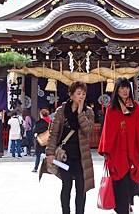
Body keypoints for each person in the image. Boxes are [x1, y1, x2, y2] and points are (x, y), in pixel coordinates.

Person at [98, 78, 139, 214]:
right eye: (122, 88)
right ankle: (121, 208)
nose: (125, 91)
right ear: (117, 90)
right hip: (117, 152)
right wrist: (106, 150)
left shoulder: (134, 107)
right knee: (119, 182)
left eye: (127, 88)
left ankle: (127, 205)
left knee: (129, 181)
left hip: (132, 151)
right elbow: (107, 131)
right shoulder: (111, 109)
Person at [46, 81, 95, 214]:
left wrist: (80, 113)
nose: (81, 97)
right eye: (78, 93)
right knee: (66, 185)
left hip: (81, 156)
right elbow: (54, 133)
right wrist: (50, 153)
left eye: (83, 94)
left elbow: (88, 131)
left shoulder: (88, 112)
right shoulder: (61, 111)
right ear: (71, 95)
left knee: (81, 187)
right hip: (64, 156)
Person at [32, 108, 51, 173]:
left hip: (40, 140)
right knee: (48, 155)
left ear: (41, 115)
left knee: (38, 155)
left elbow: (34, 131)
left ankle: (35, 168)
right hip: (48, 140)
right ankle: (48, 168)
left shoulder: (38, 122)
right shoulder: (50, 122)